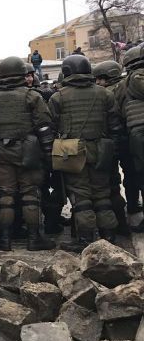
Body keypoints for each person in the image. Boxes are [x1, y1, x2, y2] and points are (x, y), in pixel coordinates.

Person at [49, 54, 123, 250]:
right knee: (102, 195)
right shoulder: (105, 94)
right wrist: (112, 152)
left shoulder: (58, 97)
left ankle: (85, 239)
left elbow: (50, 127)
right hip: (101, 149)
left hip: (72, 152)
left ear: (66, 72)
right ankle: (109, 235)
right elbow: (116, 126)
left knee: (81, 197)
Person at [0, 57, 55, 251]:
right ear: (22, 74)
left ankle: (4, 239)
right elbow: (44, 127)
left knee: (5, 196)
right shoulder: (32, 96)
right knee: (30, 194)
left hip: (1, 151)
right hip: (28, 151)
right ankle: (34, 238)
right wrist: (48, 156)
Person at [94, 60, 132, 236]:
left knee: (109, 185)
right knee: (120, 183)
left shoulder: (106, 93)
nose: (98, 82)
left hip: (109, 143)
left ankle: (114, 226)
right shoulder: (126, 86)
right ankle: (123, 222)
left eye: (100, 79)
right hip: (125, 139)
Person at [116, 45, 144, 232]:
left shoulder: (124, 84)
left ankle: (134, 206)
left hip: (136, 133)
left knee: (139, 174)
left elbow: (118, 110)